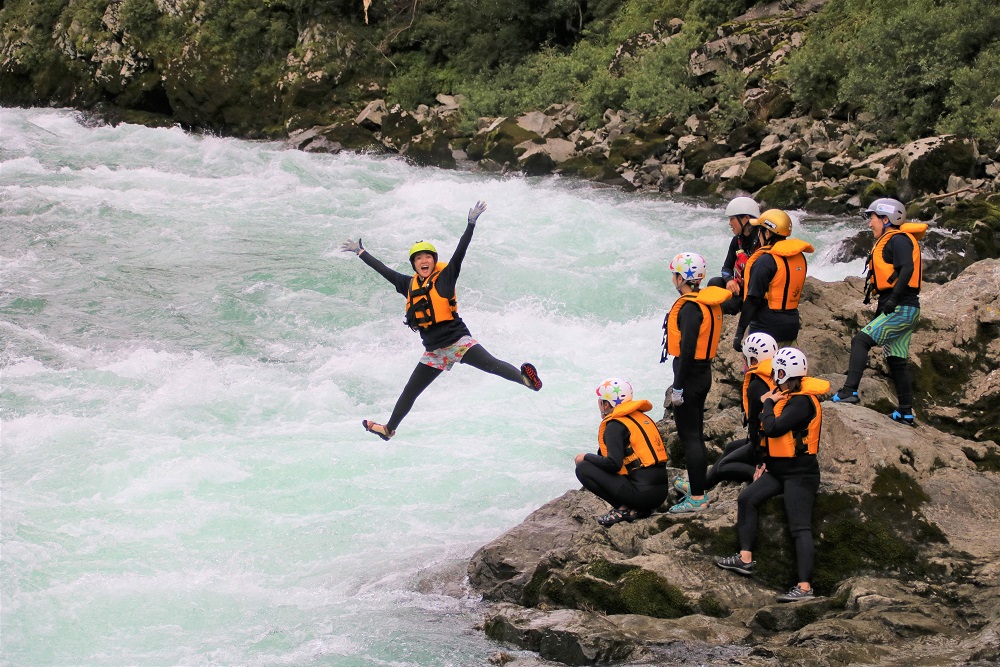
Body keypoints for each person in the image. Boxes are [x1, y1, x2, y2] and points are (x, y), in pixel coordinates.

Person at [341, 201, 542, 440]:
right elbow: (383, 270)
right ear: (414, 264)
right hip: (434, 352)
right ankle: (388, 430)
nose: (423, 261)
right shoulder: (408, 284)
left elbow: (460, 253)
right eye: (418, 258)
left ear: (434, 260)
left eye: (428, 257)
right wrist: (361, 252)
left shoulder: (446, 277)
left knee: (493, 365)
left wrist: (470, 224)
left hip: (458, 342)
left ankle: (526, 381)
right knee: (410, 391)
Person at [714, 347, 829, 603]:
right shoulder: (787, 396)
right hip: (778, 470)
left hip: (800, 474)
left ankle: (805, 587)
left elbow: (772, 428)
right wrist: (763, 462)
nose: (775, 377)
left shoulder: (801, 402)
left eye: (778, 372)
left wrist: (766, 402)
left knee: (799, 527)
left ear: (784, 373)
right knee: (747, 499)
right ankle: (744, 558)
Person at [831, 198, 927, 426]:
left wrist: (893, 299)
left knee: (861, 341)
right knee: (896, 359)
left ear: (886, 219)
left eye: (872, 218)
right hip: (903, 308)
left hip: (902, 307)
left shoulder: (898, 240)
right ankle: (905, 412)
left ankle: (849, 391)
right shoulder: (891, 240)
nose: (870, 223)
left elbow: (907, 268)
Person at [660, 252, 732, 513]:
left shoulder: (690, 308)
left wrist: (678, 387)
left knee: (690, 437)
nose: (673, 278)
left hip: (690, 377)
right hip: (702, 373)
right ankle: (697, 484)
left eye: (675, 275)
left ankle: (698, 497)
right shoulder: (704, 302)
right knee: (695, 434)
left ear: (682, 278)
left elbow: (688, 350)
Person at [673, 332, 778, 500]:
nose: (743, 362)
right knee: (731, 447)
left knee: (723, 466)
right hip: (772, 441)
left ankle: (759, 474)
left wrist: (760, 462)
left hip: (767, 448)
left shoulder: (756, 385)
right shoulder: (777, 375)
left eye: (745, 358)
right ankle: (700, 485)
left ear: (754, 360)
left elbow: (753, 426)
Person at [575, 378, 670, 527]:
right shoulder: (643, 418)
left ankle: (623, 509)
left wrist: (585, 456)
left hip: (641, 496)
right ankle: (637, 509)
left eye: (600, 401)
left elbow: (613, 464)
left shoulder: (614, 426)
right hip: (660, 494)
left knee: (582, 467)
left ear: (606, 404)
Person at [732, 209, 814, 351]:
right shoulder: (800, 257)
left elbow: (753, 300)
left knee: (759, 366)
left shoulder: (765, 261)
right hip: (791, 327)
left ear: (767, 233)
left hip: (766, 330)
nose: (758, 235)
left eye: (760, 231)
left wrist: (739, 333)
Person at [708, 196, 761, 315]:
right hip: (739, 289)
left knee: (724, 305)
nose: (730, 223)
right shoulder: (736, 240)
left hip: (753, 294)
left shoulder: (762, 240)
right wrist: (729, 280)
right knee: (714, 283)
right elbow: (726, 267)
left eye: (732, 219)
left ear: (746, 218)